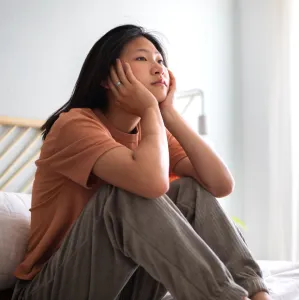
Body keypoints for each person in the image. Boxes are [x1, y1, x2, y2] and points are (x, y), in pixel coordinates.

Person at [12, 24, 271, 300]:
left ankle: (255, 295)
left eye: (160, 60)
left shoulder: (153, 135)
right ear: (107, 77)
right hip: (51, 288)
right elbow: (151, 184)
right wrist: (150, 108)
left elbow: (220, 184)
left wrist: (167, 113)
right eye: (141, 58)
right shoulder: (74, 125)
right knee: (124, 193)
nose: (158, 68)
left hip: (123, 286)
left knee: (189, 191)